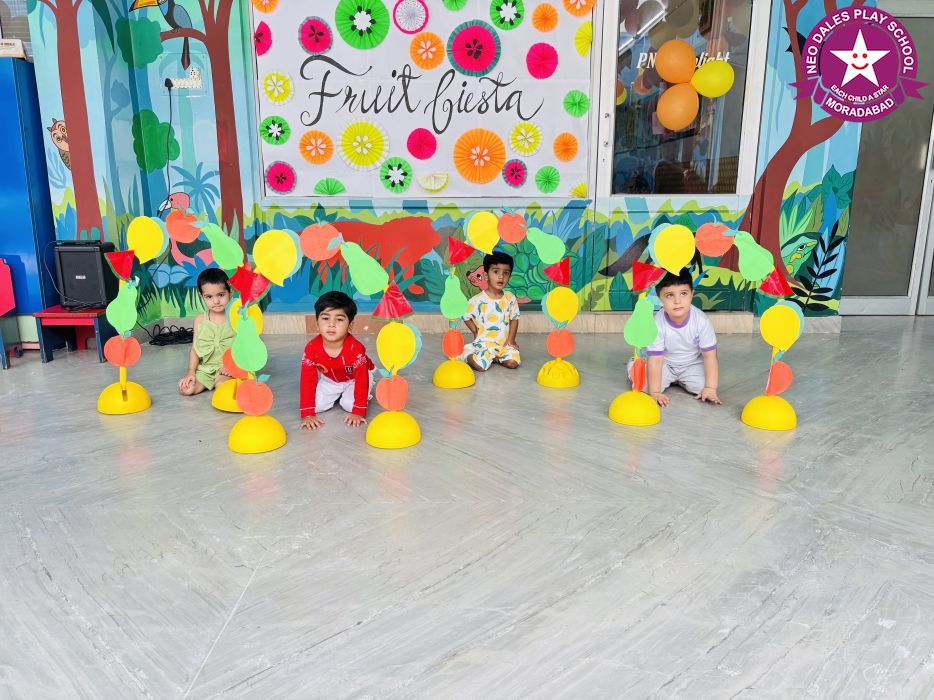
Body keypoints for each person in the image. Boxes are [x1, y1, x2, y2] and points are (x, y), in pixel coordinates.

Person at [639, 267, 721, 407]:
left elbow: (710, 356)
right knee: (645, 385)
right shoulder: (657, 322)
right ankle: (634, 364)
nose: (677, 301)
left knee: (703, 387)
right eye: (670, 295)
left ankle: (683, 380)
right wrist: (655, 392)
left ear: (691, 294)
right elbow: (657, 360)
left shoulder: (701, 320)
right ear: (659, 298)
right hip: (665, 363)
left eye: (683, 293)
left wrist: (711, 388)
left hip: (691, 364)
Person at [300, 291, 375, 430]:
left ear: (350, 325)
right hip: (330, 379)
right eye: (325, 318)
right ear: (317, 323)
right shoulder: (311, 348)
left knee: (349, 405)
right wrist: (307, 414)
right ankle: (337, 393)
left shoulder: (356, 349)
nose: (331, 324)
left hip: (355, 378)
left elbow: (361, 378)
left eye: (339, 319)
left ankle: (352, 394)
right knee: (316, 406)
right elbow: (307, 380)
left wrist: (358, 411)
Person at [179, 268, 235, 396]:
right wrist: (191, 372)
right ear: (202, 296)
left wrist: (233, 366)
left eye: (221, 295)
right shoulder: (200, 319)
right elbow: (195, 349)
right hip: (205, 370)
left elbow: (244, 347)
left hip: (227, 368)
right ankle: (204, 381)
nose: (216, 301)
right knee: (187, 389)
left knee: (221, 386)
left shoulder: (235, 317)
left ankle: (227, 381)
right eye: (209, 297)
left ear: (230, 292)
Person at [462, 251, 520, 371]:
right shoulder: (476, 300)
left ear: (509, 277)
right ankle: (467, 354)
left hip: (503, 345)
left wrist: (511, 340)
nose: (501, 276)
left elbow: (514, 319)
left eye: (506, 273)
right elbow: (466, 316)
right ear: (486, 275)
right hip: (484, 345)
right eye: (496, 271)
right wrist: (475, 332)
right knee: (480, 366)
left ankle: (497, 357)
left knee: (513, 363)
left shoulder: (510, 298)